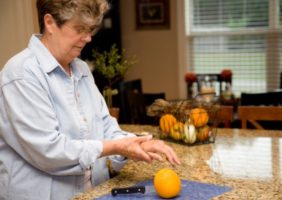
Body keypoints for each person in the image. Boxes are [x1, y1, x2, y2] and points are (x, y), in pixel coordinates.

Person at [0, 0, 180, 199]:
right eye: (80, 28)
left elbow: (105, 125)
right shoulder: (22, 74)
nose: (88, 38)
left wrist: (134, 144)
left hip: (93, 193)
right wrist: (116, 147)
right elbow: (49, 151)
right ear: (50, 22)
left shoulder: (81, 69)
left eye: (90, 29)